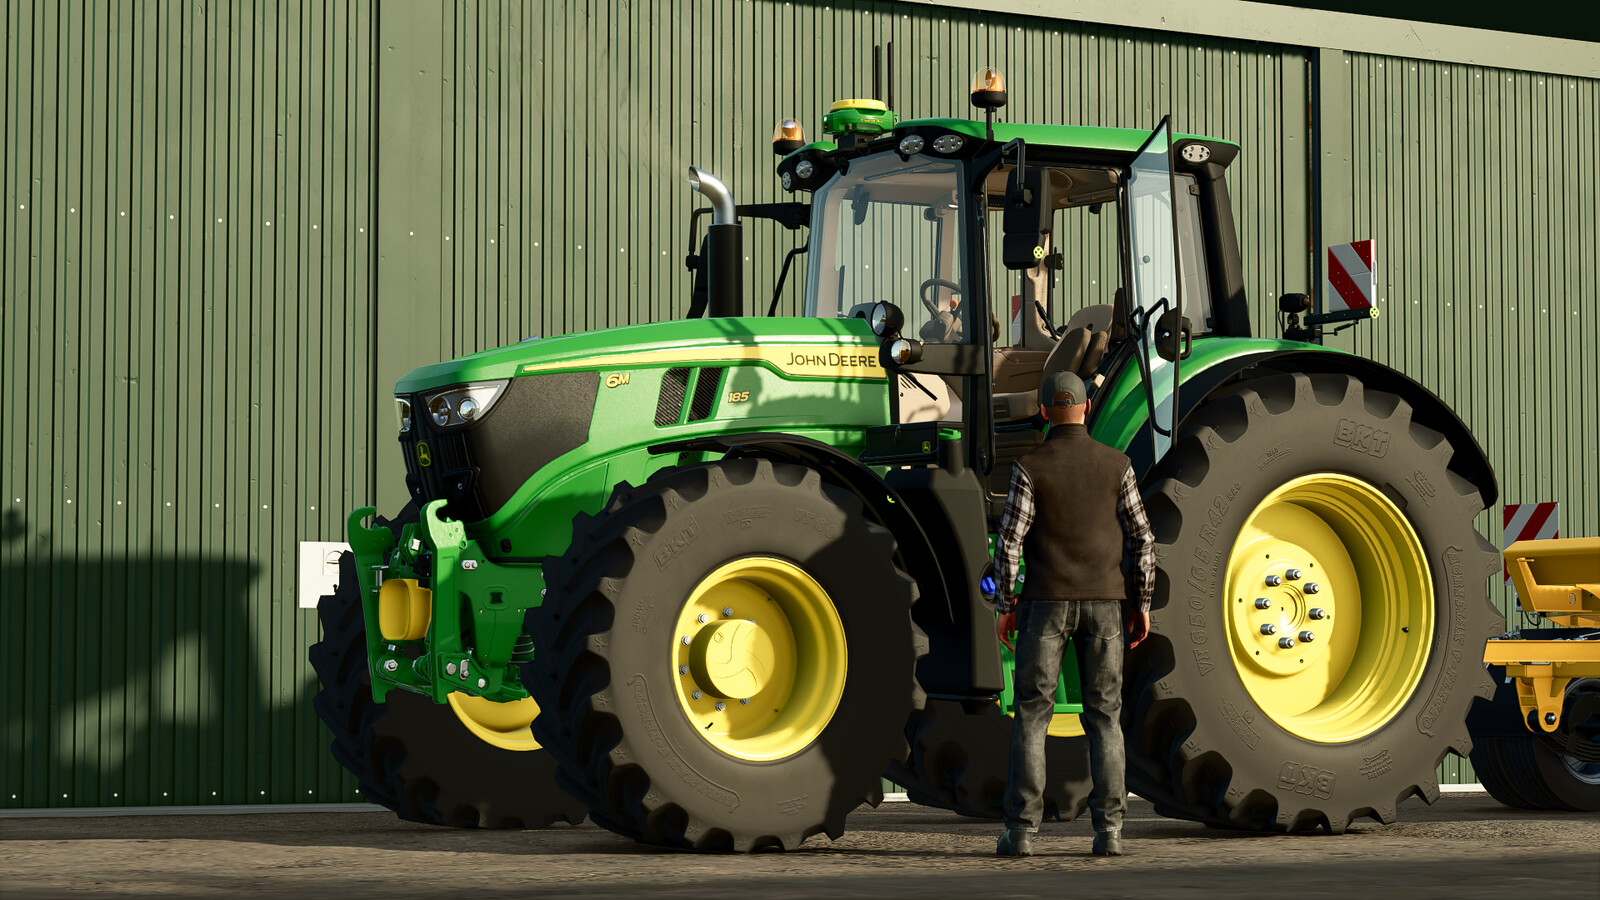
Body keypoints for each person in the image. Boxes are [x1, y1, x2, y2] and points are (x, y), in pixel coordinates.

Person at [992, 369, 1154, 858]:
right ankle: (1110, 833)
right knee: (1105, 717)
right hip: (1106, 605)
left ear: (1044, 411)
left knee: (1032, 717)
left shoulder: (1029, 466)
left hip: (1044, 605)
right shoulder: (1117, 465)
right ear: (1085, 410)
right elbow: (1143, 538)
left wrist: (1006, 604)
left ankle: (1021, 833)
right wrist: (1141, 603)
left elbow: (1010, 543)